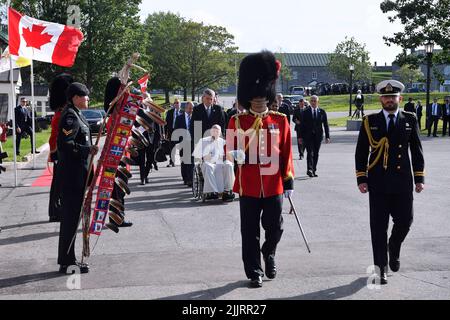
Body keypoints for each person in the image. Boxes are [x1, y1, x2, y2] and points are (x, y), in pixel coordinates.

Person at [226, 51, 294, 288]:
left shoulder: (280, 120)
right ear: (248, 99)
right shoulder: (237, 121)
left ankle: (269, 252)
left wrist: (289, 180)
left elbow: (286, 153)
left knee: (275, 227)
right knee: (249, 231)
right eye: (254, 99)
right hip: (249, 184)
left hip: (274, 182)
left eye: (262, 99)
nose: (259, 102)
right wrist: (235, 155)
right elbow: (230, 149)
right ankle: (254, 270)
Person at [355, 79, 425, 285]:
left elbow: (417, 150)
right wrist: (361, 178)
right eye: (386, 97)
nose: (389, 100)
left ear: (399, 99)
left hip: (403, 182)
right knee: (378, 228)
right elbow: (361, 152)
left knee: (405, 222)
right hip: (378, 182)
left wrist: (419, 178)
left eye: (393, 97)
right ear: (381, 100)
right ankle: (380, 269)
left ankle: (393, 247)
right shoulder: (370, 122)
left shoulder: (410, 119)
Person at [57, 82, 98, 274]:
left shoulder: (77, 114)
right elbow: (66, 144)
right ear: (75, 97)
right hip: (72, 177)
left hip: (79, 175)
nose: (87, 99)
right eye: (85, 96)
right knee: (70, 220)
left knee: (73, 219)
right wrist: (86, 150)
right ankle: (67, 262)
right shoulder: (70, 117)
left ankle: (68, 259)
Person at [48, 73, 74, 223]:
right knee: (59, 183)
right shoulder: (62, 112)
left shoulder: (61, 110)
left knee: (59, 182)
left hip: (57, 149)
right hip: (59, 150)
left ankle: (55, 210)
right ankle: (55, 211)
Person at [193, 124, 235, 201]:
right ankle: (211, 192)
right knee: (208, 166)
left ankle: (227, 191)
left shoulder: (223, 142)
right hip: (208, 163)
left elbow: (229, 155)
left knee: (229, 165)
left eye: (217, 131)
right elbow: (197, 155)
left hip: (220, 163)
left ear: (220, 133)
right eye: (213, 131)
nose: (215, 132)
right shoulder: (203, 141)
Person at [298, 95, 330, 177]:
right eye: (311, 100)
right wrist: (300, 137)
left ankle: (314, 169)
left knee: (316, 153)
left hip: (318, 136)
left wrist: (327, 136)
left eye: (314, 101)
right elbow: (302, 125)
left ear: (317, 102)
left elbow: (326, 125)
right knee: (310, 152)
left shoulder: (322, 112)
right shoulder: (305, 112)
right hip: (308, 136)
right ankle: (309, 169)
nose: (313, 102)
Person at [174, 101, 194, 187]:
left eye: (192, 108)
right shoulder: (179, 118)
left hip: (192, 142)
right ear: (185, 108)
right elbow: (176, 130)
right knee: (184, 161)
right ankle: (185, 178)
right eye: (189, 108)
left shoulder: (195, 118)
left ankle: (191, 179)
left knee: (192, 161)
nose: (191, 110)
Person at [164, 99, 181, 167]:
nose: (176, 104)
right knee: (172, 148)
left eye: (177, 103)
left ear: (180, 104)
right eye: (175, 103)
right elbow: (166, 123)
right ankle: (172, 161)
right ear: (173, 104)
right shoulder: (170, 112)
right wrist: (165, 133)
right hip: (172, 132)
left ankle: (182, 161)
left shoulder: (183, 112)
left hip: (181, 133)